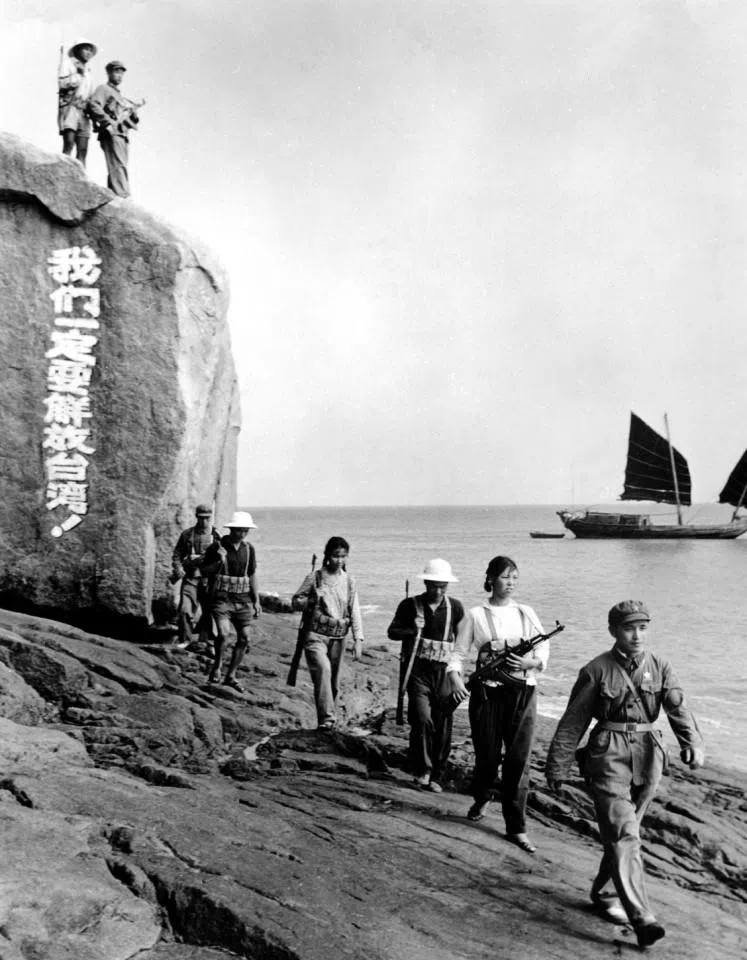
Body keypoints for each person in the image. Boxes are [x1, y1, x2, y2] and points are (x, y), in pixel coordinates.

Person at [545, 600, 705, 949]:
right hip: (608, 756)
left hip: (649, 757)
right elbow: (574, 721)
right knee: (624, 832)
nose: (636, 635)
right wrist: (557, 764)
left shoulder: (660, 665)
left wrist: (691, 742)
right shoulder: (596, 670)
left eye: (643, 627)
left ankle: (604, 893)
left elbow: (677, 707)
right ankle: (642, 918)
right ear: (613, 631)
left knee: (622, 834)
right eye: (629, 628)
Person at [447, 555, 548, 854]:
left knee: (519, 761)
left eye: (515, 577)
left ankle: (516, 827)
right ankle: (482, 796)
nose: (511, 583)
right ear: (490, 578)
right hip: (487, 695)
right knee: (488, 758)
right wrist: (455, 681)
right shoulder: (476, 615)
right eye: (505, 577)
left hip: (523, 693)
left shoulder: (525, 612)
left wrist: (532, 661)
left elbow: (543, 645)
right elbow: (458, 654)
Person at [387, 558, 465, 792]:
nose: (438, 591)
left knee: (442, 724)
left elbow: (461, 643)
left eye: (443, 586)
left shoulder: (456, 607)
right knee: (421, 719)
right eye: (434, 585)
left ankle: (437, 775)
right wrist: (413, 628)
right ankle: (423, 769)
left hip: (444, 672)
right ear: (426, 583)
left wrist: (460, 675)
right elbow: (392, 632)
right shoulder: (409, 605)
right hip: (417, 671)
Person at [291, 537, 364, 730]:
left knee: (333, 683)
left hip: (339, 636)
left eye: (343, 556)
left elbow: (354, 609)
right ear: (327, 556)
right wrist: (311, 600)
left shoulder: (349, 581)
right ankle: (327, 719)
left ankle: (329, 718)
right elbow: (295, 601)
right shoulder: (314, 577)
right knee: (323, 670)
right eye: (335, 556)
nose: (339, 560)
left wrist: (358, 639)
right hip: (315, 635)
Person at [201, 511, 261, 690]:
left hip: (243, 600)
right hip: (221, 599)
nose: (241, 534)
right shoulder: (216, 547)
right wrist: (219, 560)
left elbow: (251, 575)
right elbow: (204, 571)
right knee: (223, 634)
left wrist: (256, 601)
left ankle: (231, 675)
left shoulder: (249, 549)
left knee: (245, 638)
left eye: (245, 531)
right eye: (238, 530)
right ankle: (217, 667)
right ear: (231, 529)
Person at [87, 60, 142, 198]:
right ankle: (122, 195)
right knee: (118, 165)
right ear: (109, 72)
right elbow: (94, 105)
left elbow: (128, 118)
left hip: (122, 133)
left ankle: (115, 195)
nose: (119, 75)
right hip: (112, 132)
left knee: (119, 165)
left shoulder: (120, 96)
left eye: (122, 73)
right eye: (117, 72)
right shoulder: (103, 89)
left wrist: (133, 115)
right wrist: (107, 122)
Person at [170, 504, 221, 651]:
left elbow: (222, 559)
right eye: (201, 518)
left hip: (209, 580)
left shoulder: (216, 536)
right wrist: (178, 568)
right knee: (185, 609)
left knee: (209, 611)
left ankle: (206, 641)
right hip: (191, 578)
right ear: (196, 517)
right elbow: (177, 554)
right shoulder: (187, 534)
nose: (204, 521)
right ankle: (185, 638)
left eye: (207, 518)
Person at [57, 40, 98, 167]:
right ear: (78, 50)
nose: (88, 53)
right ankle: (63, 172)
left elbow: (90, 93)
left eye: (90, 50)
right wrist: (78, 75)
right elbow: (62, 84)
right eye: (85, 49)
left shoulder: (89, 71)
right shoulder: (68, 64)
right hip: (70, 107)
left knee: (83, 148)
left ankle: (82, 179)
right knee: (69, 142)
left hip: (84, 111)